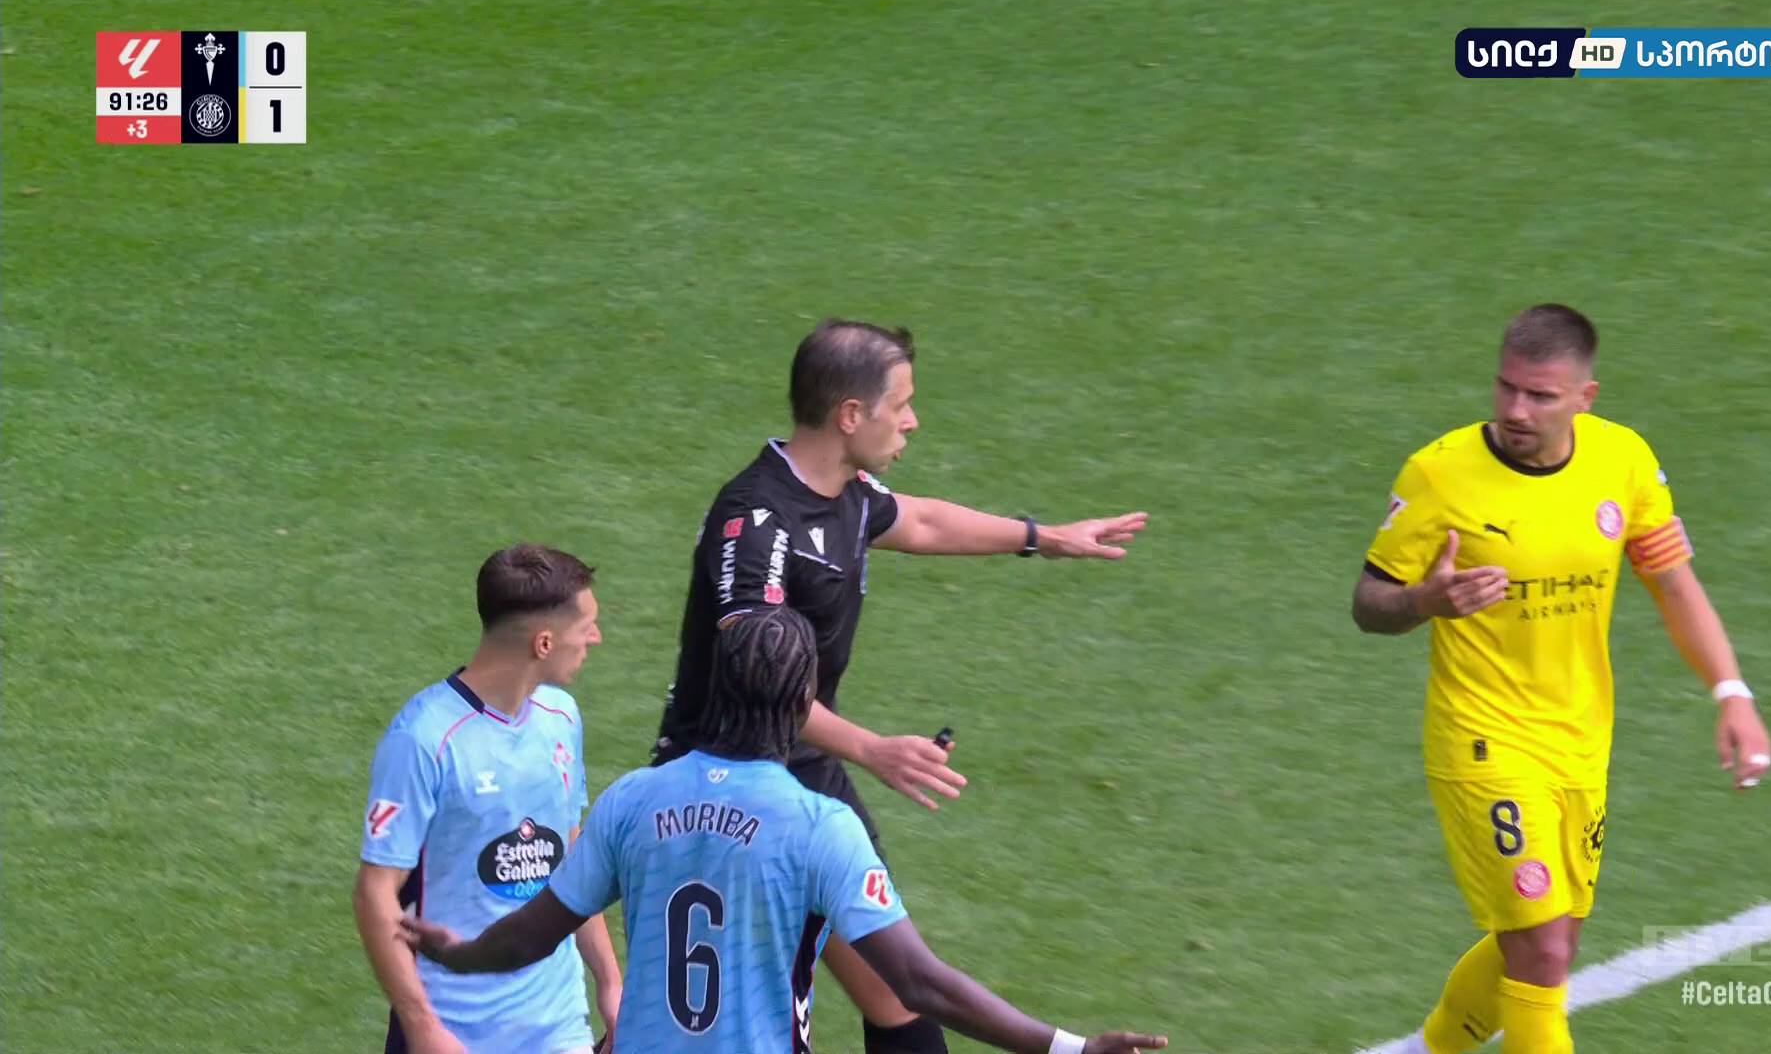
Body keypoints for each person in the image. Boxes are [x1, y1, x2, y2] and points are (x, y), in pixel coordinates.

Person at [650, 318, 1149, 1053]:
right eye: (902, 403)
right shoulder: (755, 522)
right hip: (723, 779)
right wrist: (872, 749)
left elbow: (920, 521)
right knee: (735, 1015)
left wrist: (1045, 538)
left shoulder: (847, 491)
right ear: (851, 414)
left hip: (804, 764)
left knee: (897, 994)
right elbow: (752, 674)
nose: (912, 420)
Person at [402, 607, 1169, 1054]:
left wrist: (453, 953)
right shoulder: (821, 827)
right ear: (804, 702)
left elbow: (529, 936)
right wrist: (1067, 1046)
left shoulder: (632, 801)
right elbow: (919, 982)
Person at [1350, 305, 1771, 1054]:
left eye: (1540, 396)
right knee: (1542, 951)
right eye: (1506, 388)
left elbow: (1674, 584)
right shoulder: (1439, 474)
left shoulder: (1624, 462)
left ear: (1585, 396)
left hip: (1579, 740)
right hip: (1482, 739)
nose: (1517, 410)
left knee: (1551, 943)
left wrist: (1731, 693)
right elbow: (1368, 604)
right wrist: (1425, 601)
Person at [354, 545, 624, 1054]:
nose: (595, 638)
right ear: (544, 643)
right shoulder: (424, 738)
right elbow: (374, 893)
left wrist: (609, 981)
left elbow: (571, 864)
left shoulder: (562, 717)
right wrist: (423, 1027)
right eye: (586, 626)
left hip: (557, 1026)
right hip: (456, 1030)